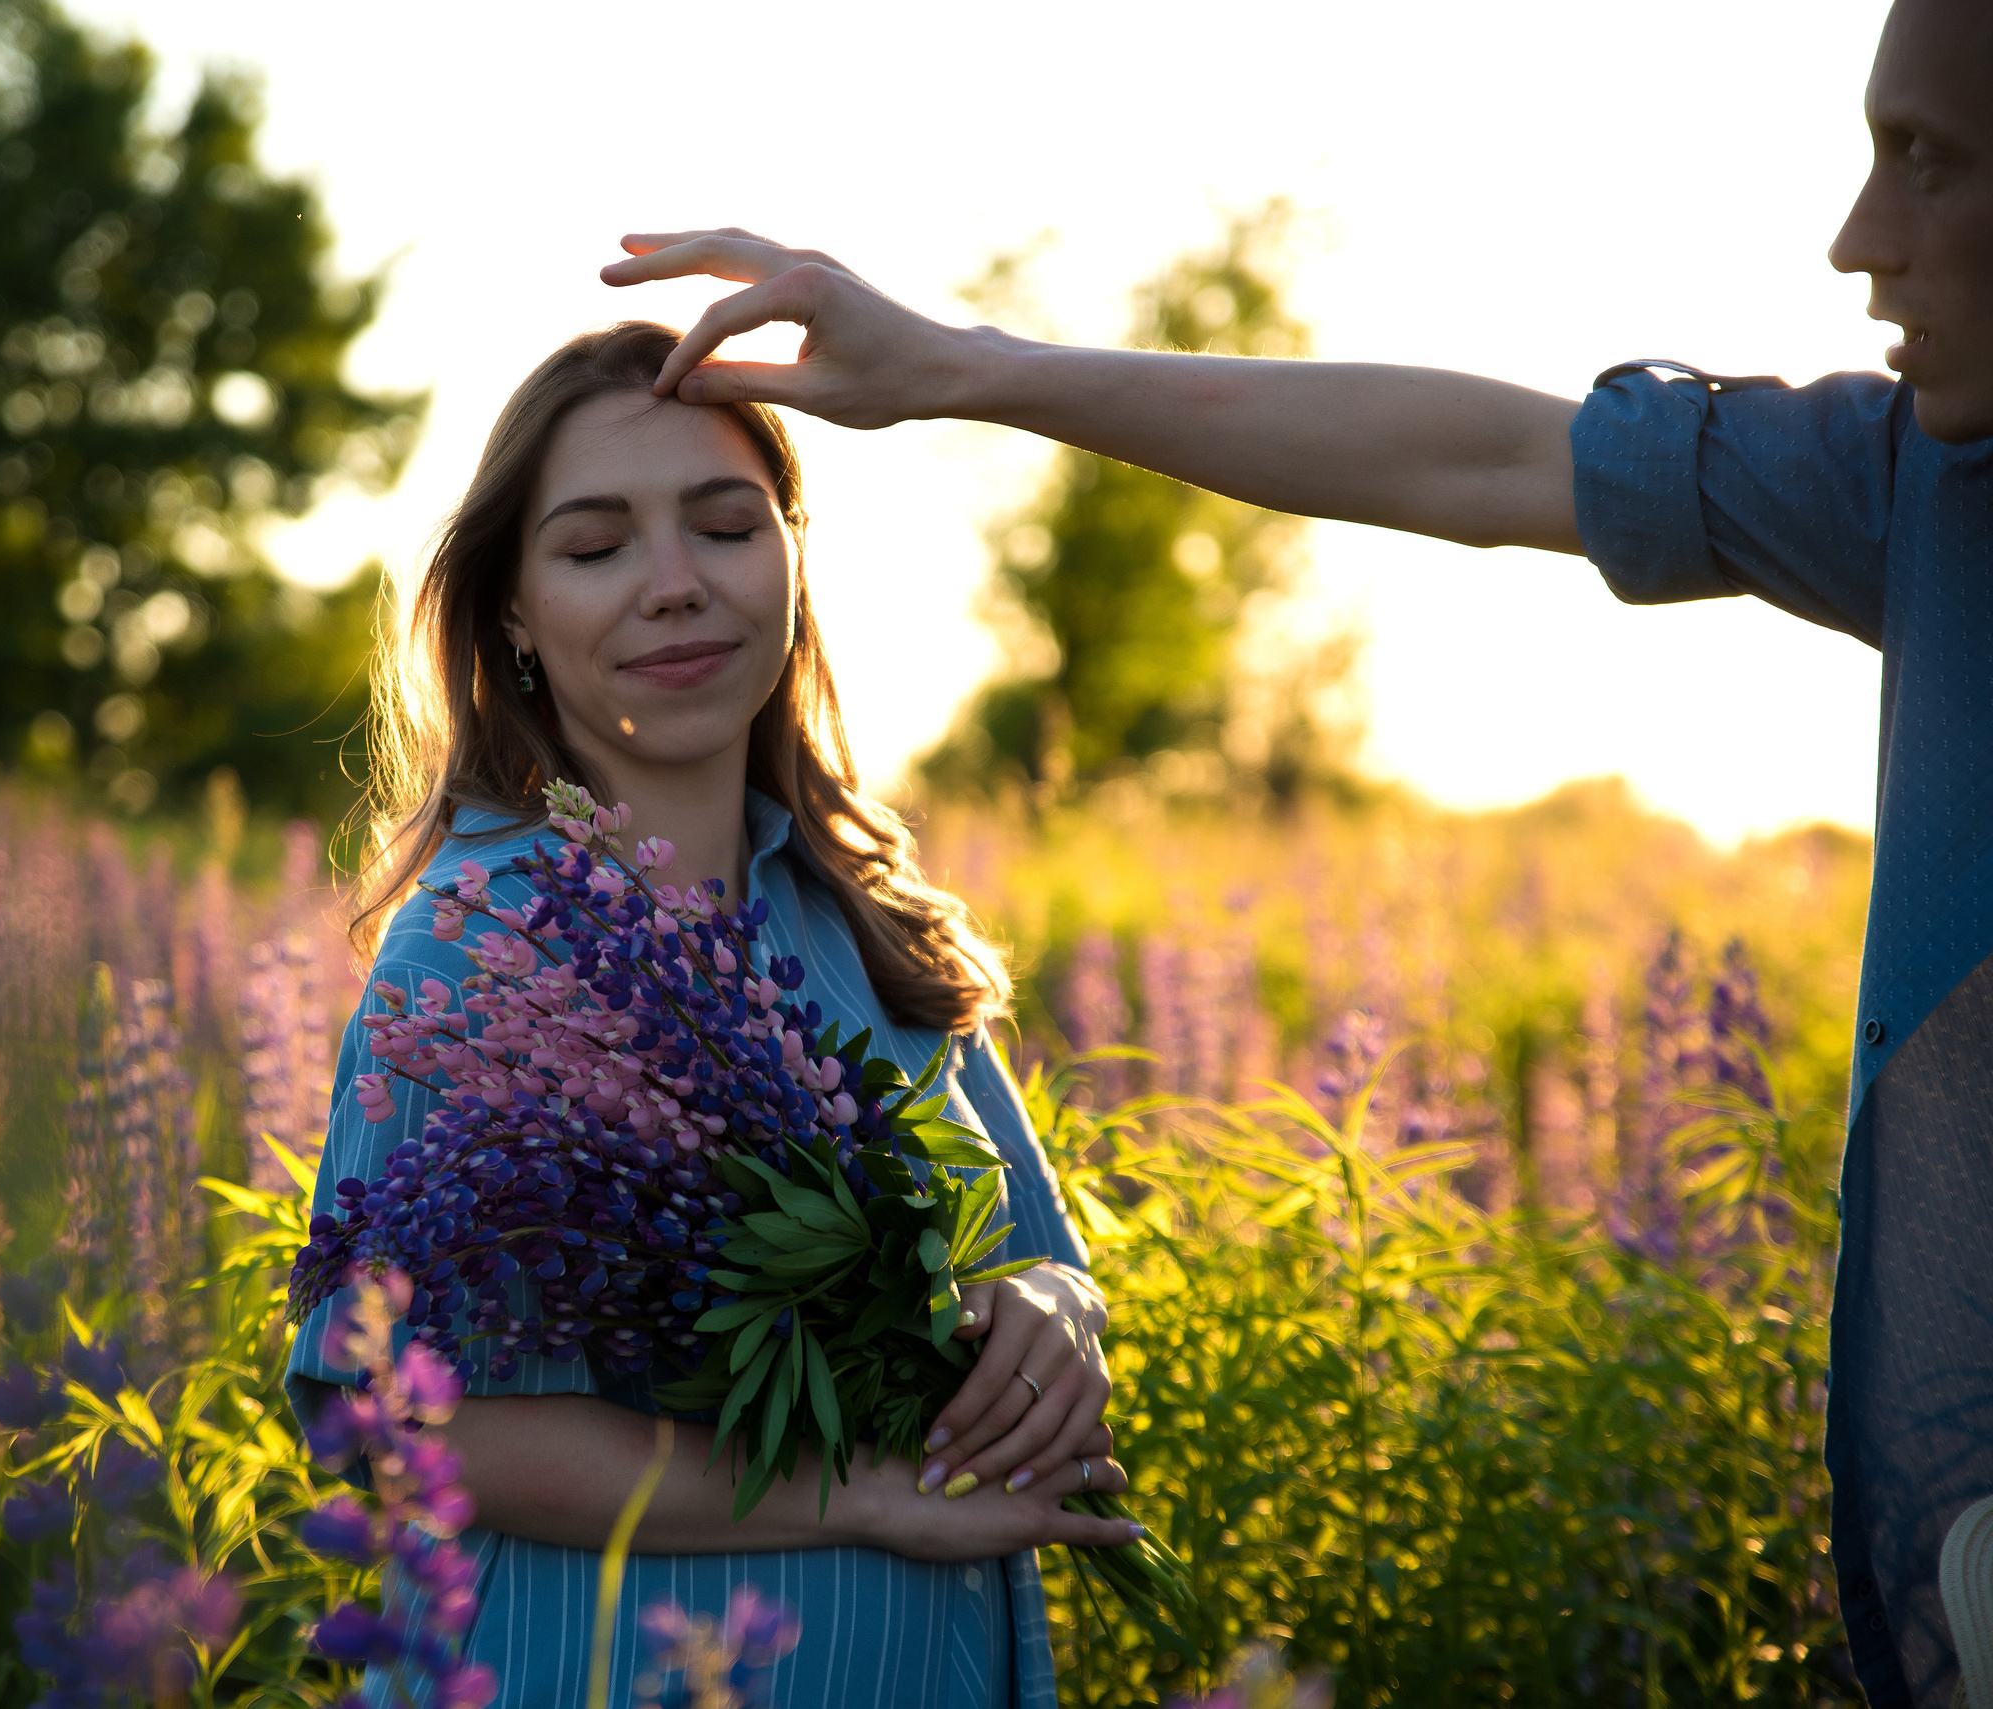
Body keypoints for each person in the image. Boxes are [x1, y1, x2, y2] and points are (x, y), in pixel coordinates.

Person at [598, 2, 1993, 1704]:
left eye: (1931, 160)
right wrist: (962, 369)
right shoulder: (1924, 483)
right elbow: (1478, 452)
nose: (1859, 238)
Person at [287, 320, 1145, 1709]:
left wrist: (1053, 1307)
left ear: (792, 561)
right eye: (595, 545)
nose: (674, 585)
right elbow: (407, 1421)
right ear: (511, 610)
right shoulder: (480, 950)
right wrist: (857, 1494)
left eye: (725, 525)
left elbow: (1038, 1265)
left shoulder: (856, 905)